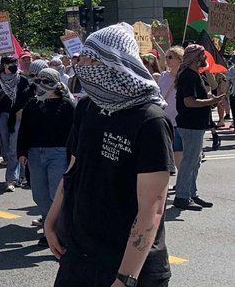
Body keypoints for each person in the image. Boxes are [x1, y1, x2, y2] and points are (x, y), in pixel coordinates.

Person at [45, 23, 173, 287]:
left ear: (115, 63)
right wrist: (51, 220)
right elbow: (73, 169)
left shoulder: (150, 120)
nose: (82, 65)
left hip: (128, 266)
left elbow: (152, 207)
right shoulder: (87, 108)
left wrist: (126, 278)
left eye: (91, 59)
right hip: (79, 257)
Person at [16, 67, 74, 245]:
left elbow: (74, 133)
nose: (41, 85)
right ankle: (49, 228)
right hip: (35, 154)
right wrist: (22, 152)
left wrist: (73, 156)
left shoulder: (67, 105)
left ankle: (60, 231)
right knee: (40, 194)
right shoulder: (32, 105)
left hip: (58, 153)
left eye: (46, 81)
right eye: (39, 80)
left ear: (56, 84)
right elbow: (24, 130)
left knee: (55, 193)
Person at [173, 44, 224, 211]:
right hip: (190, 125)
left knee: (195, 161)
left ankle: (190, 193)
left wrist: (212, 97)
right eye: (202, 56)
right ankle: (182, 197)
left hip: (195, 125)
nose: (205, 59)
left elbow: (200, 96)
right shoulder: (188, 76)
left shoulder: (195, 75)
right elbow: (189, 102)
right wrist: (212, 101)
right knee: (189, 161)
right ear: (195, 58)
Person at [0, 56, 31, 189]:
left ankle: (11, 179)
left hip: (17, 116)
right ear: (4, 65)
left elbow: (29, 98)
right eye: (9, 63)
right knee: (5, 147)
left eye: (14, 63)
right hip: (2, 116)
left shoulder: (22, 80)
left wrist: (22, 110)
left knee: (13, 147)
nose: (12, 65)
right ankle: (21, 172)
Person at [157, 46, 185, 173]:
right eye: (166, 57)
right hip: (165, 119)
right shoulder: (163, 76)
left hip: (180, 120)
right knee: (171, 152)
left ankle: (183, 179)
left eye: (170, 57)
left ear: (180, 60)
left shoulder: (185, 77)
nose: (167, 59)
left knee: (179, 151)